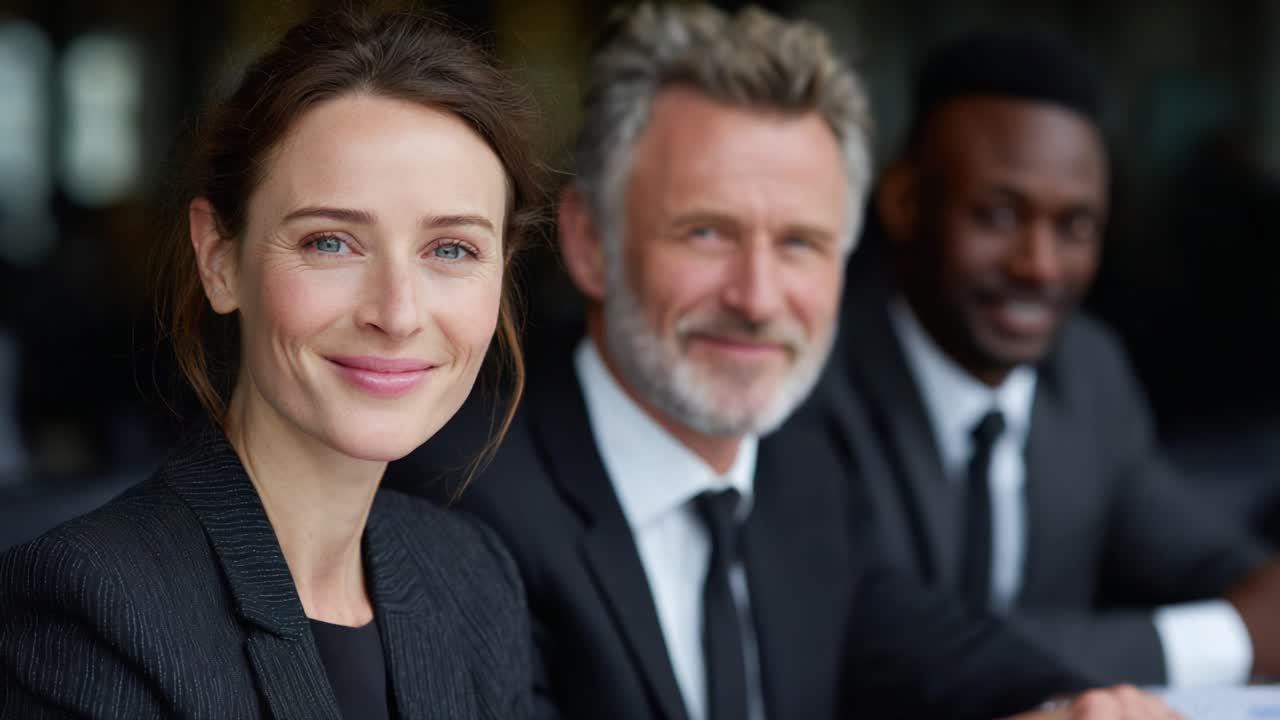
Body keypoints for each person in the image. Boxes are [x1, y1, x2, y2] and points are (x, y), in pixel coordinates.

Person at [389, 5, 1179, 719]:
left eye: (800, 243)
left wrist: (1077, 705)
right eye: (707, 232)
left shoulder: (800, 464)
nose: (759, 297)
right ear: (592, 242)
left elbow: (938, 650)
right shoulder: (459, 498)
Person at [0, 9, 544, 718]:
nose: (399, 312)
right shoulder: (94, 607)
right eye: (331, 242)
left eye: (451, 250)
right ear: (219, 258)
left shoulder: (474, 578)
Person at [828, 28, 1280, 687]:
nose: (1038, 267)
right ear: (905, 202)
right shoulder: (815, 377)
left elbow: (1221, 564)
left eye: (1075, 227)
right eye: (998, 216)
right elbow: (878, 642)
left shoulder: (1087, 371)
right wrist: (1224, 641)